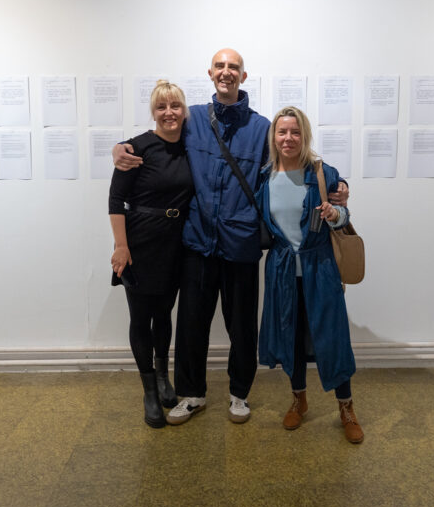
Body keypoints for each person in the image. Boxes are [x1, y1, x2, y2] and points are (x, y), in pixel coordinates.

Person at [114, 48, 349, 427]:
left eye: (233, 67)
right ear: (211, 73)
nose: (226, 72)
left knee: (241, 327)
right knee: (191, 324)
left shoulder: (262, 128)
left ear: (243, 76)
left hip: (240, 244)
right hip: (197, 242)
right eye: (220, 66)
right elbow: (158, 137)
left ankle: (239, 394)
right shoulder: (191, 120)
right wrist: (120, 147)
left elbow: (293, 160)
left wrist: (338, 184)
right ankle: (192, 394)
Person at [256, 106, 363, 443]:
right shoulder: (264, 178)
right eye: (282, 132)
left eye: (295, 132)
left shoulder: (322, 172)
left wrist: (335, 213)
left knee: (333, 337)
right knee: (292, 336)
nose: (288, 138)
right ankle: (298, 399)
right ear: (274, 137)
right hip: (282, 270)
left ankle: (346, 407)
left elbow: (344, 215)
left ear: (305, 136)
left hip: (321, 268)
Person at [109, 80, 193, 428]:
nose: (169, 113)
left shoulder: (192, 144)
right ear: (153, 112)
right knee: (141, 318)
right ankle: (148, 391)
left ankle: (162, 376)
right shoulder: (137, 148)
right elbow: (116, 199)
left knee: (164, 314)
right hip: (140, 244)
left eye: (175, 106)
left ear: (184, 110)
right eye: (161, 107)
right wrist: (121, 246)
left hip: (177, 245)